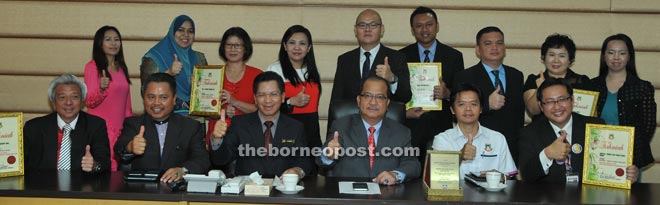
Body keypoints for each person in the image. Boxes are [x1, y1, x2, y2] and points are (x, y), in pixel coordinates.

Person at [518, 79, 638, 183]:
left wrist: (626, 174)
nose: (557, 106)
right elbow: (527, 176)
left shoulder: (595, 126)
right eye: (549, 101)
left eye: (562, 99)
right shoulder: (529, 133)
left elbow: (609, 166)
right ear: (541, 106)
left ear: (572, 100)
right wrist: (547, 154)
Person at [319, 76, 420, 185]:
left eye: (380, 97)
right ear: (359, 100)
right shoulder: (341, 126)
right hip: (348, 197)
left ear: (387, 103)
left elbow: (413, 165)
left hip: (385, 197)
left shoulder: (401, 132)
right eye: (368, 96)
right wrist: (328, 154)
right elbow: (322, 158)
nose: (373, 102)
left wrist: (396, 175)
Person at [210, 72, 311, 179]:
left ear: (282, 97)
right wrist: (217, 139)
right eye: (261, 95)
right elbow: (220, 160)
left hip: (282, 191)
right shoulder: (239, 124)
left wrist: (297, 171)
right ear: (255, 98)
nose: (268, 100)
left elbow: (304, 162)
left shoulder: (295, 127)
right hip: (247, 191)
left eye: (273, 94)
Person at [399, 6, 465, 163]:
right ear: (412, 29)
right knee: (410, 173)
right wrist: (404, 111)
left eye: (429, 24)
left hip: (441, 127)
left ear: (437, 26)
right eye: (419, 25)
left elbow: (460, 95)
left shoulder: (454, 56)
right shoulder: (400, 56)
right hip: (410, 127)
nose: (424, 29)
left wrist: (447, 93)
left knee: (438, 174)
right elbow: (396, 94)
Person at [115, 73, 209, 182]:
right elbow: (119, 149)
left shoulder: (190, 126)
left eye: (163, 97)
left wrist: (182, 170)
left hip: (176, 191)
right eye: (151, 97)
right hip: (142, 190)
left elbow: (202, 159)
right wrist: (130, 147)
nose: (156, 103)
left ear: (174, 99)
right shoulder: (134, 124)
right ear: (143, 98)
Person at [329, 9, 412, 128]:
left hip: (385, 128)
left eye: (373, 25)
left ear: (382, 30)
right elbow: (336, 102)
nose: (367, 29)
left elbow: (405, 96)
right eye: (362, 25)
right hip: (350, 128)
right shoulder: (345, 59)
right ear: (355, 30)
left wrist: (392, 79)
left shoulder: (396, 58)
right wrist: (331, 135)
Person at [453, 26, 524, 164]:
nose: (495, 47)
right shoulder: (464, 76)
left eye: (499, 43)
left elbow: (519, 115)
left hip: (511, 147)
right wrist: (486, 105)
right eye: (488, 43)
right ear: (478, 50)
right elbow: (457, 111)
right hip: (478, 147)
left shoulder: (516, 75)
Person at [592, 34, 656, 172]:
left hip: (629, 160)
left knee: (630, 194)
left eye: (622, 53)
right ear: (604, 56)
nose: (616, 57)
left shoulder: (642, 88)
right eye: (611, 52)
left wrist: (633, 157)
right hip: (596, 156)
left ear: (629, 57)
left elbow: (648, 127)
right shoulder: (592, 86)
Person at [24, 74, 110, 173]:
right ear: (53, 102)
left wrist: (94, 165)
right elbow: (21, 165)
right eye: (62, 97)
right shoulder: (34, 128)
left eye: (74, 97)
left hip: (82, 186)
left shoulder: (96, 126)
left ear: (82, 101)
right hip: (42, 186)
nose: (68, 102)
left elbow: (105, 164)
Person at [266, 25, 322, 175]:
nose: (297, 47)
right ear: (284, 46)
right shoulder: (274, 70)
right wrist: (290, 102)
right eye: (292, 43)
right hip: (283, 136)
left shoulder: (312, 71)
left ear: (309, 48)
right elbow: (265, 106)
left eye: (302, 43)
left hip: (310, 136)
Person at [432, 83, 517, 179]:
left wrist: (497, 177)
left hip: (490, 193)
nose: (468, 109)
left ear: (481, 108)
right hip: (457, 193)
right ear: (452, 110)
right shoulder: (442, 140)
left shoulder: (498, 139)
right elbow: (438, 176)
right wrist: (459, 156)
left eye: (473, 104)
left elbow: (510, 176)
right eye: (461, 104)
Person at [84, 26, 133, 171]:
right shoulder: (92, 67)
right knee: (104, 169)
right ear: (100, 43)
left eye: (117, 40)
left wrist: (130, 126)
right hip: (101, 130)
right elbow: (89, 101)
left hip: (121, 130)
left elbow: (127, 103)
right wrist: (101, 89)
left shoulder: (121, 67)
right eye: (108, 39)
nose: (114, 43)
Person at [206, 27, 262, 148]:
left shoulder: (257, 75)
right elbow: (205, 111)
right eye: (229, 45)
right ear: (223, 47)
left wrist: (235, 102)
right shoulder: (212, 74)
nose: (232, 49)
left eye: (237, 45)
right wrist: (222, 113)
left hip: (249, 139)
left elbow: (263, 109)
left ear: (245, 48)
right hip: (217, 138)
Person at [140, 15, 208, 115]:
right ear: (172, 32)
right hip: (165, 118)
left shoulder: (199, 59)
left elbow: (207, 94)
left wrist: (198, 86)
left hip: (195, 120)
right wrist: (168, 73)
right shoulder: (155, 57)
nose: (186, 35)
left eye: (190, 31)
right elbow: (145, 91)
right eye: (181, 30)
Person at [523, 34, 595, 117]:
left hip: (575, 128)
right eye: (551, 55)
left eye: (562, 56)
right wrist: (540, 88)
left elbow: (591, 114)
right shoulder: (534, 79)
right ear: (543, 57)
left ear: (570, 60)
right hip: (541, 128)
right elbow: (533, 111)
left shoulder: (582, 81)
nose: (556, 60)